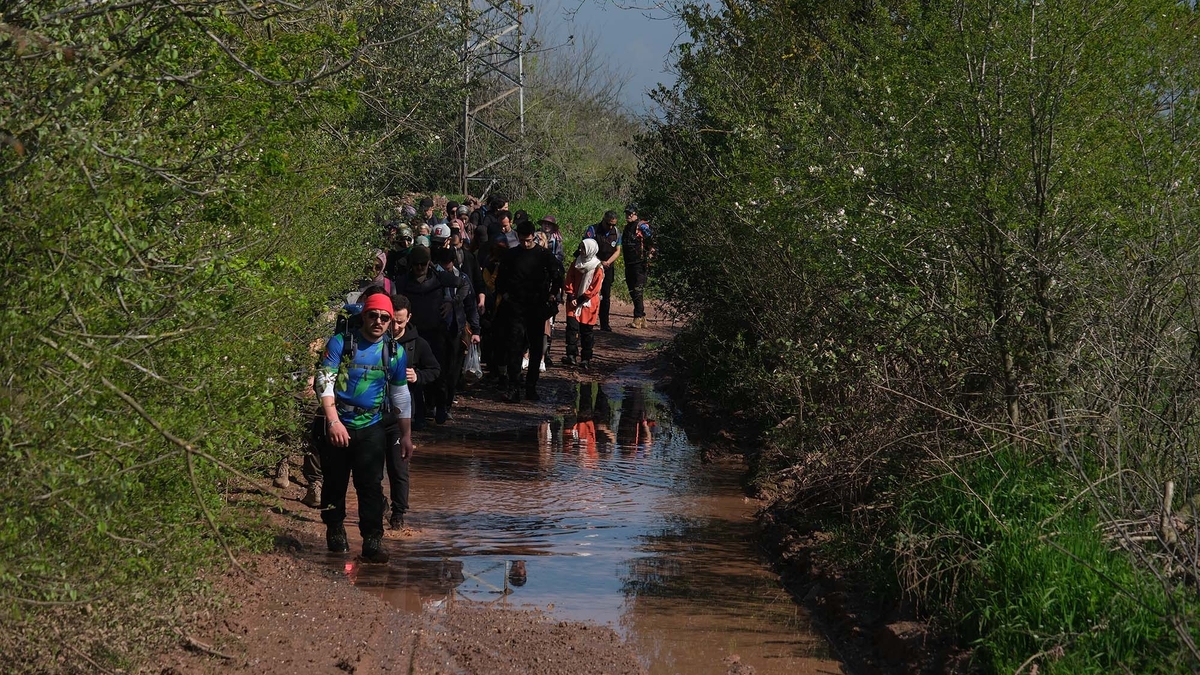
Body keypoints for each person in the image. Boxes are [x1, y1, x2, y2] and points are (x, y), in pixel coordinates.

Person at [314, 291, 413, 563]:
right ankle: (334, 529)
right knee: (334, 481)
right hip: (338, 421)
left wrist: (406, 436)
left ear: (391, 321)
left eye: (385, 317)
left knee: (370, 484)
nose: (379, 321)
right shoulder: (340, 343)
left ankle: (372, 539)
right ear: (363, 316)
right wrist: (333, 421)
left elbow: (401, 395)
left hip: (372, 425)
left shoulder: (395, 352)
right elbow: (324, 383)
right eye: (373, 315)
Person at [494, 220, 564, 402]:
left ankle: (531, 387)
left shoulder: (544, 255)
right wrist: (507, 296)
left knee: (535, 349)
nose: (526, 244)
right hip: (515, 309)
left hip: (537, 308)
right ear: (518, 237)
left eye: (529, 240)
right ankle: (514, 387)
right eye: (523, 240)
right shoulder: (511, 255)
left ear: (534, 236)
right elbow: (500, 280)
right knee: (515, 348)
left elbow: (558, 276)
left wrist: (551, 295)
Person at [387, 294, 439, 528]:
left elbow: (435, 370)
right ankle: (378, 503)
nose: (396, 326)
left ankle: (398, 514)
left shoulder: (418, 343)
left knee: (399, 467)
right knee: (371, 466)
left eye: (400, 321)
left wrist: (418, 376)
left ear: (409, 318)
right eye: (392, 320)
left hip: (403, 413)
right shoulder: (375, 338)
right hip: (372, 410)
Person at [430, 245, 481, 423]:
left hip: (456, 331)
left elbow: (471, 305)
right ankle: (435, 405)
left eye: (449, 266)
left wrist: (475, 330)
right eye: (443, 266)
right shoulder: (433, 279)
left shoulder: (463, 279)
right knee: (437, 369)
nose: (446, 270)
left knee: (452, 371)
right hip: (435, 330)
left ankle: (447, 405)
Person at [562, 239, 604, 370]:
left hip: (588, 304)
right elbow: (569, 278)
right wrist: (570, 295)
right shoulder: (576, 263)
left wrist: (580, 299)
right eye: (580, 247)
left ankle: (586, 358)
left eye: (583, 248)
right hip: (573, 301)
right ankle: (571, 355)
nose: (581, 250)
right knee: (571, 328)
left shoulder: (598, 267)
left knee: (586, 331)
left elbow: (594, 288)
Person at [584, 210, 621, 332]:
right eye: (608, 224)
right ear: (603, 220)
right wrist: (598, 262)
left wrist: (608, 262)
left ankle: (604, 323)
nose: (611, 227)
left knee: (606, 295)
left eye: (613, 224)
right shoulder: (593, 230)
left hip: (608, 266)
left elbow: (617, 250)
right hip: (593, 265)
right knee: (590, 292)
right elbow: (586, 248)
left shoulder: (616, 232)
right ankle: (587, 320)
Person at [621, 203, 654, 329]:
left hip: (639, 264)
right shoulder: (627, 227)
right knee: (632, 289)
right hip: (629, 263)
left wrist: (650, 253)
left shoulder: (642, 226)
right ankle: (642, 316)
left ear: (635, 214)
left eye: (630, 213)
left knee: (637, 289)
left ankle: (638, 317)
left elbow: (652, 240)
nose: (628, 215)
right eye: (627, 213)